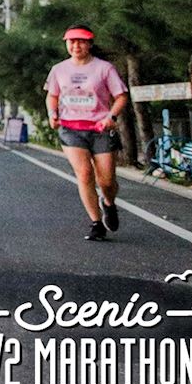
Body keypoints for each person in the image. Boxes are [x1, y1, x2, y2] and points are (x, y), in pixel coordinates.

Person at [45, 25, 129, 241]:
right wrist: (52, 113)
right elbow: (52, 95)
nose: (76, 45)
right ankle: (96, 222)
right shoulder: (59, 70)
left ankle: (109, 203)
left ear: (90, 43)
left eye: (81, 41)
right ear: (66, 44)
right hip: (72, 128)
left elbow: (120, 96)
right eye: (71, 41)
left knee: (107, 181)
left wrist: (111, 117)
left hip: (100, 129)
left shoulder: (104, 68)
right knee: (84, 174)